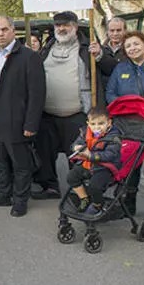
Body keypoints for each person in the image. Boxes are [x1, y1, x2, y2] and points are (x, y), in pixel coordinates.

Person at [0, 16, 45, 217]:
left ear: (13, 31)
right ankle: (1, 194)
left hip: (17, 120)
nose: (0, 34)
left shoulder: (28, 57)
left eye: (4, 30)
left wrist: (31, 123)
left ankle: (20, 200)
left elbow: (37, 93)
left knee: (20, 162)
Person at [33, 11, 99, 200]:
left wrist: (100, 55)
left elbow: (109, 67)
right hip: (47, 113)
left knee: (77, 155)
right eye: (58, 25)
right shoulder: (48, 47)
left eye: (66, 25)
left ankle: (79, 192)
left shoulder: (88, 47)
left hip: (77, 113)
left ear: (75, 27)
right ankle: (50, 187)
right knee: (45, 154)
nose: (61, 28)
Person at [105, 30, 144, 218]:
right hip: (127, 126)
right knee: (130, 166)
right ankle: (128, 206)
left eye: (136, 44)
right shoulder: (121, 68)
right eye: (128, 46)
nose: (133, 48)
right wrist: (127, 107)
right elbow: (111, 93)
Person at [67, 106, 122, 216]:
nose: (97, 127)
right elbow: (74, 144)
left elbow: (110, 154)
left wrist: (91, 156)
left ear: (109, 123)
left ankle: (98, 204)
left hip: (105, 167)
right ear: (88, 123)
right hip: (88, 164)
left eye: (101, 124)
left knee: (95, 186)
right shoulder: (84, 132)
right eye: (93, 124)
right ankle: (84, 198)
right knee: (71, 177)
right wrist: (76, 148)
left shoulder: (114, 137)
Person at [89, 17, 127, 90]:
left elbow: (118, 70)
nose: (115, 34)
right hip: (105, 94)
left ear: (125, 31)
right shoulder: (100, 49)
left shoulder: (131, 49)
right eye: (112, 31)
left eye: (118, 30)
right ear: (107, 32)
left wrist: (100, 56)